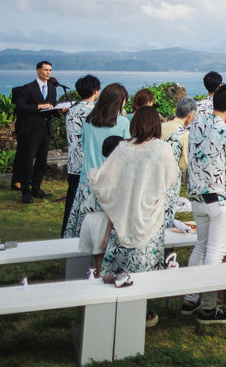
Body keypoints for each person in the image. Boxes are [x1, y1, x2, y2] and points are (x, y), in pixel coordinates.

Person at [93, 107, 180, 327]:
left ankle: (115, 306)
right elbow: (171, 179)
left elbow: (104, 179)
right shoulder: (162, 148)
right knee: (144, 263)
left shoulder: (122, 148)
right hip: (149, 212)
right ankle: (140, 311)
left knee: (121, 259)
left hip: (124, 211)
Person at [182, 83, 226, 324]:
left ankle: (190, 298)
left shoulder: (195, 124)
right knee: (215, 252)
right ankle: (209, 308)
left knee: (200, 246)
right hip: (220, 199)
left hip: (197, 197)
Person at [64, 83, 131, 238]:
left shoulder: (89, 121)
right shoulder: (122, 122)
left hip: (87, 179)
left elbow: (83, 145)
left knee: (83, 225)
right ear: (119, 101)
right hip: (112, 181)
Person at [75, 135, 124, 279]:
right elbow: (112, 208)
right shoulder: (115, 177)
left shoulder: (95, 172)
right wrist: (107, 235)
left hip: (89, 219)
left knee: (96, 263)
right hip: (103, 221)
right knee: (102, 266)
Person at [12, 60, 60, 204]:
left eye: (50, 70)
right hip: (31, 130)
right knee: (28, 160)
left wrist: (59, 110)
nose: (48, 73)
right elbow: (20, 107)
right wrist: (39, 106)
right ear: (38, 71)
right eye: (46, 70)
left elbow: (51, 107)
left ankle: (37, 188)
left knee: (42, 160)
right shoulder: (27, 88)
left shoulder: (52, 89)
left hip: (45, 130)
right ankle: (25, 191)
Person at [62, 74, 100, 236]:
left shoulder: (71, 111)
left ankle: (66, 233)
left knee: (71, 204)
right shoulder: (94, 112)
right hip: (88, 165)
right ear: (95, 91)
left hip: (73, 163)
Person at [162, 97, 196, 179]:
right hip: (171, 177)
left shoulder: (161, 126)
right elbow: (184, 163)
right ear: (190, 115)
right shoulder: (184, 134)